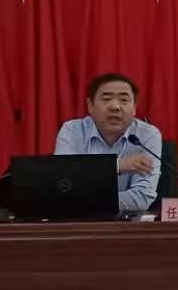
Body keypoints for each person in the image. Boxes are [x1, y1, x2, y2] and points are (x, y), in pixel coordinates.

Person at [53, 73, 162, 215]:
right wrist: (118, 166)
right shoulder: (72, 130)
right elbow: (63, 183)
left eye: (124, 100)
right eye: (106, 99)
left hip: (128, 224)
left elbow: (142, 197)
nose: (115, 107)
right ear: (90, 106)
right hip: (77, 222)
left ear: (134, 108)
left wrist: (83, 201)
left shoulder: (147, 135)